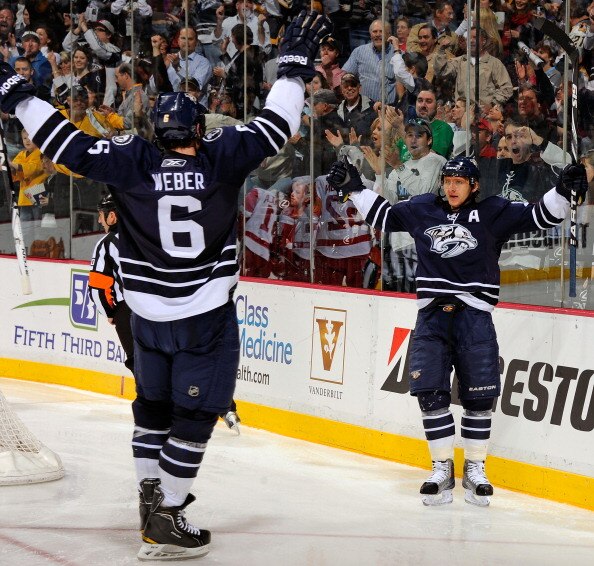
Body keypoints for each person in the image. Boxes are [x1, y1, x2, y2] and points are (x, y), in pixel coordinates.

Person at [0, 10, 331, 560]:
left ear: (157, 131)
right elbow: (277, 124)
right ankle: (167, 516)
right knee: (195, 416)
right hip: (204, 317)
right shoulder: (222, 156)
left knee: (151, 408)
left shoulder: (131, 159)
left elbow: (65, 146)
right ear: (198, 130)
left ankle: (149, 494)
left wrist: (20, 98)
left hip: (148, 318)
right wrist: (294, 71)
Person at [327, 155, 587, 507]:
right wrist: (353, 190)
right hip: (432, 316)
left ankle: (476, 469)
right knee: (430, 393)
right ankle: (441, 468)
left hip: (474, 315)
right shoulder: (423, 209)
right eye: (448, 179)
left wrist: (562, 190)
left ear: (474, 186)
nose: (451, 186)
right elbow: (385, 217)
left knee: (479, 397)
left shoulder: (493, 212)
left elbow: (539, 217)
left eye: (459, 181)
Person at [88, 193, 134, 373]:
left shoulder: (106, 244)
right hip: (163, 310)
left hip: (128, 310)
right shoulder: (149, 237)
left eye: (101, 215)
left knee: (139, 363)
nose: (100, 220)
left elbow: (98, 285)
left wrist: (110, 311)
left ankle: (151, 401)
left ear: (112, 216)